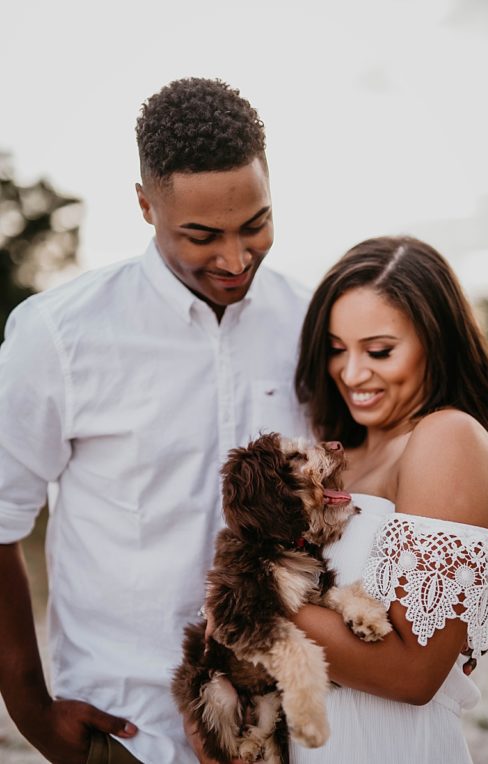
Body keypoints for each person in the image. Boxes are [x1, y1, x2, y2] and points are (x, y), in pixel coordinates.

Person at [0, 78, 310, 763]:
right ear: (145, 205)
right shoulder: (59, 336)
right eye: (202, 236)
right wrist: (31, 708)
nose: (235, 259)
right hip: (132, 732)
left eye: (255, 223)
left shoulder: (315, 321)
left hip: (293, 730)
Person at [288, 236, 488, 763]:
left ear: (437, 341)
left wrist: (248, 599)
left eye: (379, 351)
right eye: (337, 349)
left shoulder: (446, 439)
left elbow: (412, 672)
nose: (352, 373)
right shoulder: (345, 454)